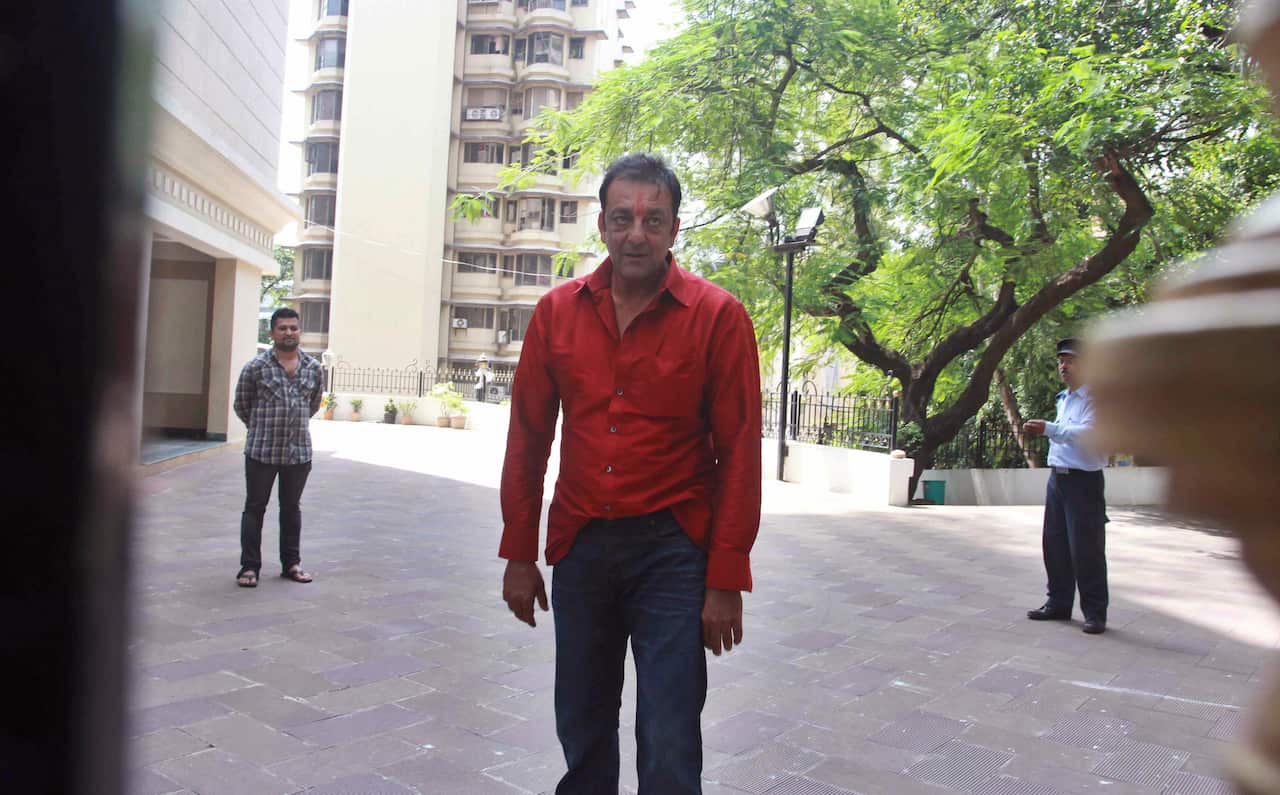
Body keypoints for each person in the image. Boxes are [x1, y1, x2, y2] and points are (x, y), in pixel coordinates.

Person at [498, 153, 762, 794]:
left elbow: (740, 453)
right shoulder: (557, 314)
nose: (635, 234)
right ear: (602, 225)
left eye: (652, 219)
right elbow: (530, 438)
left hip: (673, 548)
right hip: (583, 545)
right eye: (622, 218)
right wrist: (519, 553)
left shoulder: (718, 318)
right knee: (582, 723)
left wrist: (726, 578)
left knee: (669, 731)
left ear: (675, 229)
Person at [1023, 338, 1109, 634]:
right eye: (1061, 360)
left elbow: (1088, 433)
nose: (1063, 366)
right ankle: (1058, 602)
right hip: (1058, 479)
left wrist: (1049, 428)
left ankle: (1095, 612)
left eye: (1070, 360)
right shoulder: (1064, 398)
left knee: (1086, 548)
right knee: (1055, 544)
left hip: (1084, 481)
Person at [232, 307, 323, 588]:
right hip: (262, 452)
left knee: (291, 508)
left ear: (299, 332)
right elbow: (242, 405)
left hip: (298, 453)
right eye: (282, 328)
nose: (288, 333)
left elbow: (313, 405)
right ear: (272, 333)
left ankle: (291, 564)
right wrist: (262, 428)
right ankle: (249, 567)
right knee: (255, 508)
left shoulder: (313, 368)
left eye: (293, 328)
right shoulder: (256, 367)